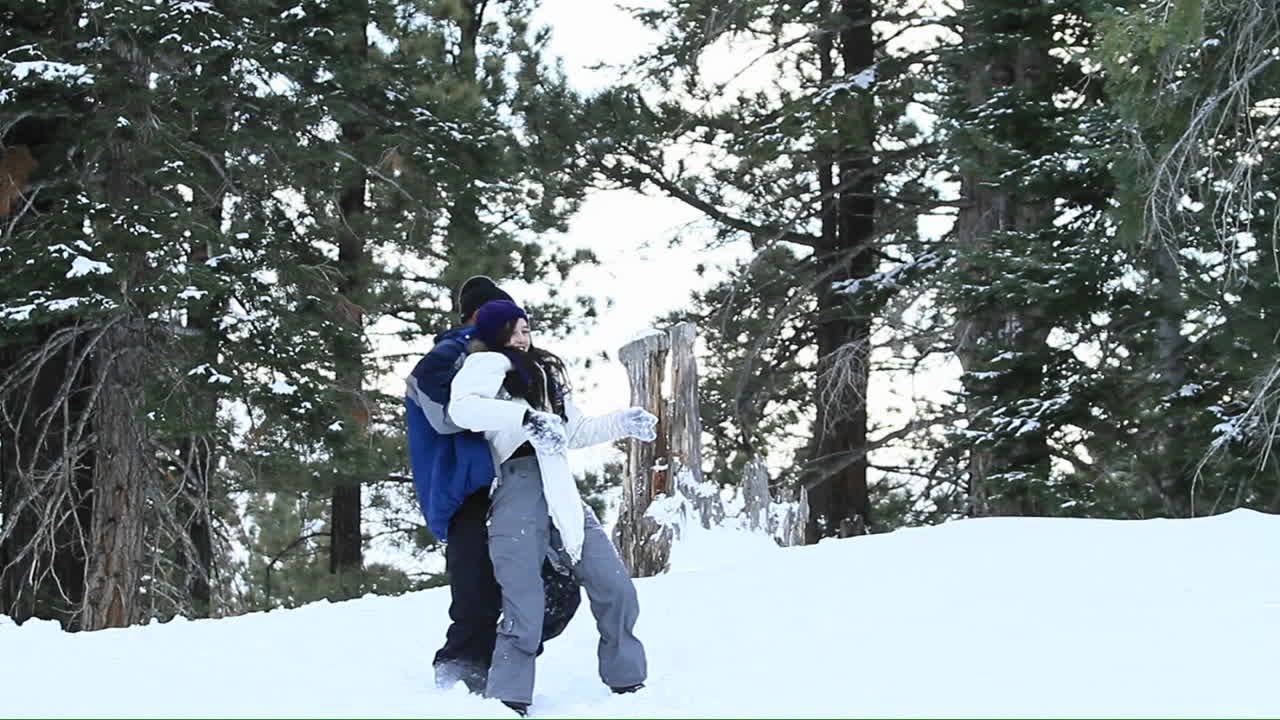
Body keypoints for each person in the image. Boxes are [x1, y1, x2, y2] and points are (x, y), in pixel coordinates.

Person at [449, 298, 656, 716]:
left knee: (615, 587)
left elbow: (575, 430)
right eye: (514, 330)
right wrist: (524, 419)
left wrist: (623, 421)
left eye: (526, 330)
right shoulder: (485, 365)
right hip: (517, 488)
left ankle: (628, 682)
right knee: (524, 601)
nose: (523, 338)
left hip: (561, 489)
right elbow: (463, 408)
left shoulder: (542, 375)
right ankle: (508, 699)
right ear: (495, 333)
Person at [404, 276, 581, 694]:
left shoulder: (513, 360)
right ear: (482, 315)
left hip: (511, 483)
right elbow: (447, 415)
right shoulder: (451, 353)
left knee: (550, 587)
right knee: (477, 589)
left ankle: (501, 659)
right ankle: (460, 671)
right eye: (503, 316)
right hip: (464, 486)